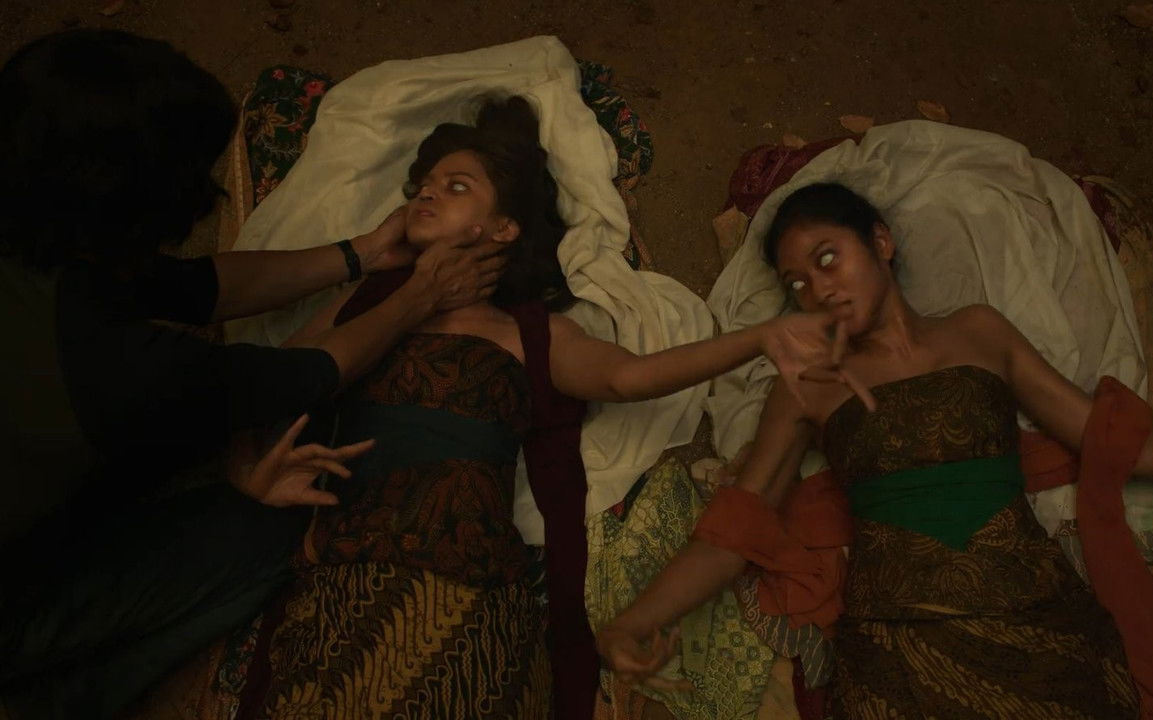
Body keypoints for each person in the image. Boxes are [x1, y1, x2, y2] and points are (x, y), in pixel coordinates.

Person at [239, 96, 842, 720]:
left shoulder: (528, 333)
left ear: (504, 228)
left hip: (469, 587)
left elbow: (631, 377)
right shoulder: (369, 302)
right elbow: (276, 381)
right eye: (422, 186)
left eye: (456, 186)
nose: (428, 193)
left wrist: (761, 337)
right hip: (347, 573)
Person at [595, 183, 1153, 719]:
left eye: (828, 258)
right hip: (901, 641)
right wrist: (634, 623)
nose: (819, 289)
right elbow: (736, 529)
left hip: (1034, 615)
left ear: (881, 242)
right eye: (797, 283)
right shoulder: (809, 381)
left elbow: (1101, 435)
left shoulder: (977, 332)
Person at [0, 29, 502, 719]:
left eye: (457, 187)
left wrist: (358, 254)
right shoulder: (124, 372)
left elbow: (196, 288)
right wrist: (420, 295)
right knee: (273, 530)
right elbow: (303, 374)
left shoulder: (41, 228)